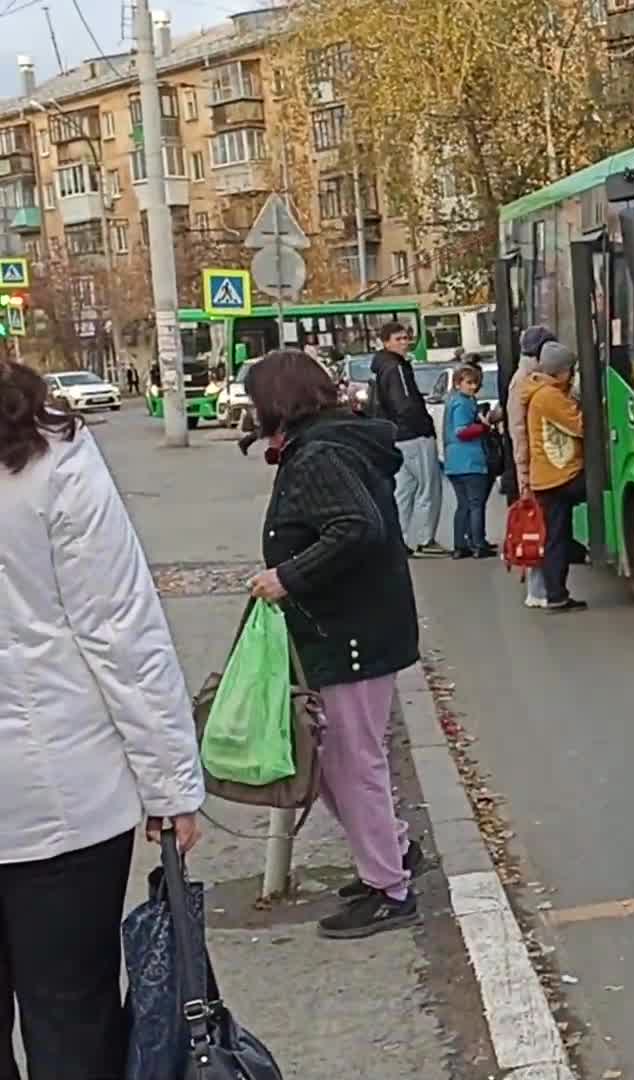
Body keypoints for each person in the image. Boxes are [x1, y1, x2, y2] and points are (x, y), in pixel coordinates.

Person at [0, 358, 205, 1076]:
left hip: (58, 797)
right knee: (74, 1017)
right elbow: (119, 630)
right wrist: (171, 785)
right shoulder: (50, 454)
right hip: (60, 796)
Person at [242, 351, 423, 938]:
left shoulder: (319, 454)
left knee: (348, 764)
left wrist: (286, 577)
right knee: (339, 762)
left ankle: (390, 888)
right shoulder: (331, 442)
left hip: (349, 632)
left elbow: (355, 528)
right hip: (353, 627)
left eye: (256, 399)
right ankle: (389, 855)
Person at [368, 321, 447, 556]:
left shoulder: (382, 367)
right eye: (399, 339)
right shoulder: (397, 368)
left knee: (404, 490)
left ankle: (398, 539)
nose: (404, 343)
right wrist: (422, 426)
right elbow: (404, 402)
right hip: (413, 434)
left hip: (397, 435)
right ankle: (425, 539)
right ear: (386, 342)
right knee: (428, 486)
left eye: (406, 338)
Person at [526, 340, 588, 613]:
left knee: (556, 537)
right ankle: (556, 594)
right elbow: (580, 425)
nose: (572, 374)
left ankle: (556, 592)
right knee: (556, 538)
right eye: (571, 370)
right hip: (558, 475)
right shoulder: (549, 396)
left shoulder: (542, 391)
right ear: (560, 371)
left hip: (550, 475)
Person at [505, 325, 557, 608]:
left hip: (533, 464)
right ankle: (538, 590)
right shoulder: (526, 381)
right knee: (537, 528)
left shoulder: (530, 377)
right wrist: (524, 474)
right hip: (533, 466)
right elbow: (519, 432)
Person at [443, 364, 496, 559]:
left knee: (463, 505)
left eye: (475, 383)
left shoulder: (451, 402)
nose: (473, 387)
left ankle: (460, 544)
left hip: (453, 463)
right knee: (476, 504)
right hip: (470, 460)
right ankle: (478, 543)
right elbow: (462, 431)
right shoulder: (464, 403)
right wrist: (484, 426)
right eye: (469, 383)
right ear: (458, 384)